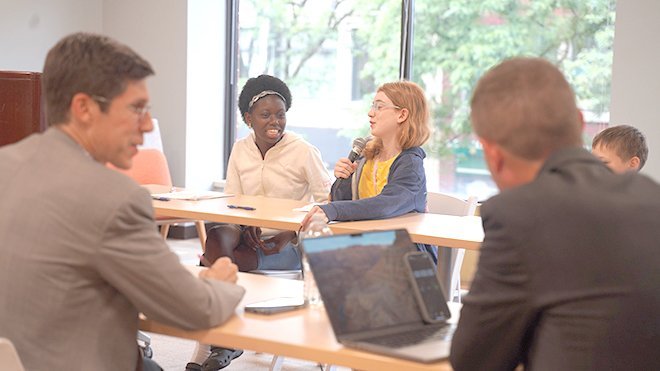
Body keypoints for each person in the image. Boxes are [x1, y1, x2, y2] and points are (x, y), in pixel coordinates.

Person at [0, 32, 245, 371]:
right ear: (83, 108)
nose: (147, 127)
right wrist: (219, 284)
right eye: (136, 109)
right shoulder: (114, 198)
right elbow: (196, 309)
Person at [450, 57, 660, 370]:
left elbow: (474, 360)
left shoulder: (518, 216)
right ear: (578, 121)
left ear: (492, 154)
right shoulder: (650, 195)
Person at [189, 74, 331, 370]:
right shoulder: (241, 149)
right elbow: (230, 200)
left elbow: (328, 202)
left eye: (280, 114)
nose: (274, 122)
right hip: (243, 235)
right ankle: (226, 342)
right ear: (248, 118)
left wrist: (288, 232)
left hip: (284, 245)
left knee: (214, 263)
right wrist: (242, 224)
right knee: (216, 240)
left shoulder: (303, 151)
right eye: (265, 115)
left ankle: (220, 343)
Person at [300, 81, 434, 260]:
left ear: (402, 115)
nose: (371, 113)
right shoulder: (365, 155)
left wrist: (332, 209)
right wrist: (343, 179)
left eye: (379, 107)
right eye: (373, 106)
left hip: (403, 255)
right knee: (311, 249)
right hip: (366, 247)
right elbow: (343, 202)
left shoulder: (410, 164)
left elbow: (385, 205)